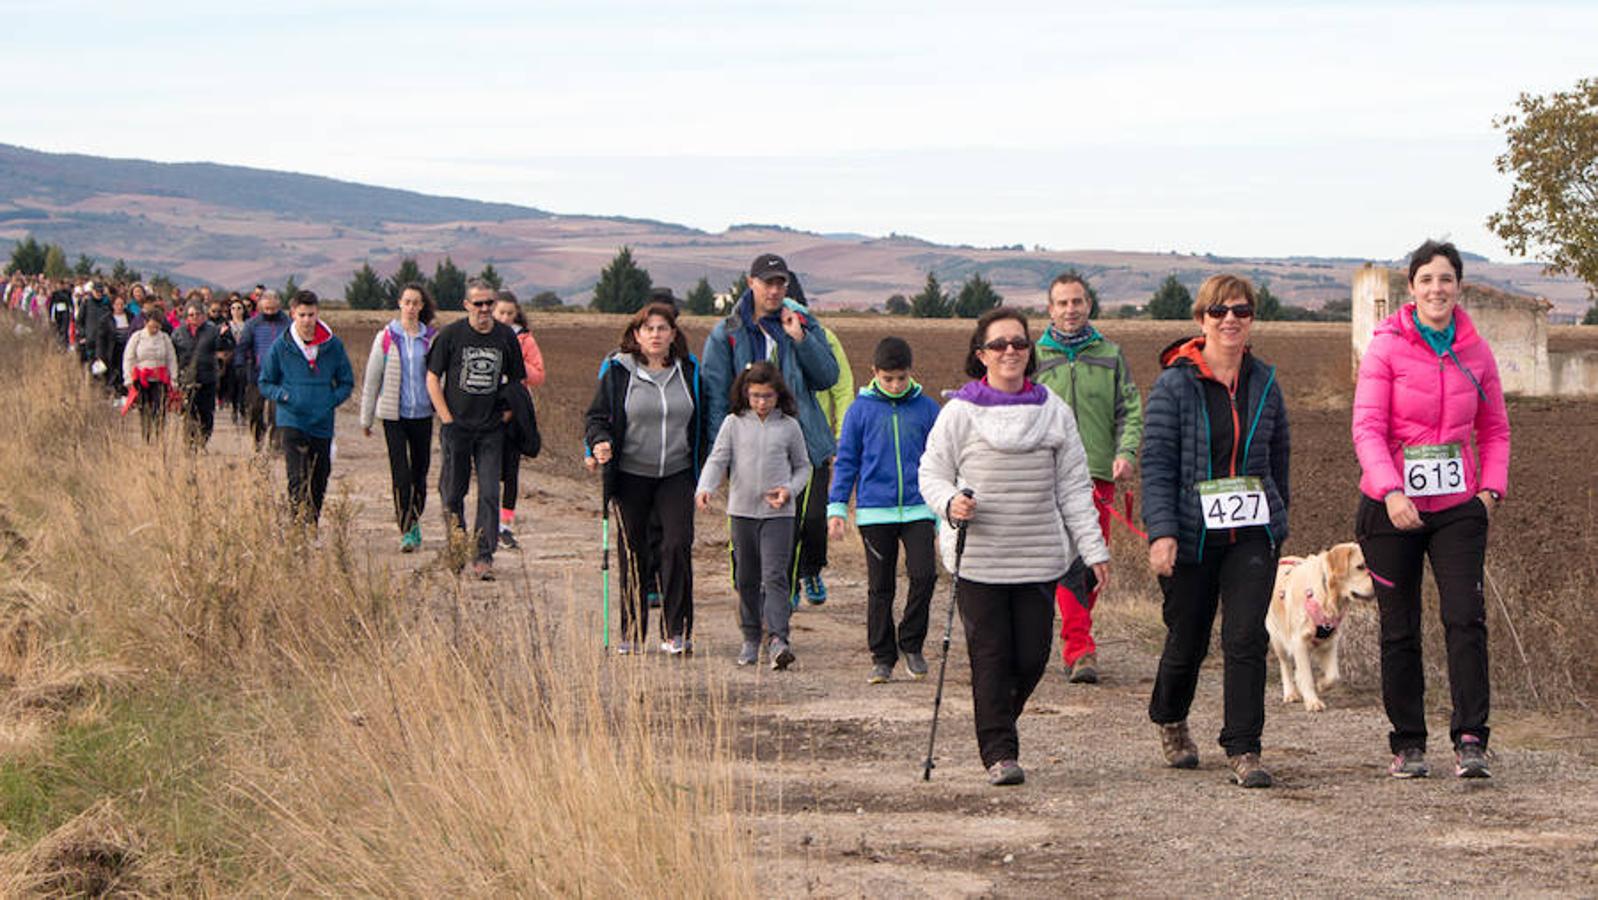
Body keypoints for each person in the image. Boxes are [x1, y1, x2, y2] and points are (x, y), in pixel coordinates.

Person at [919, 307, 1110, 787]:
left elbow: (1072, 488)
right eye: (999, 344)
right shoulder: (960, 412)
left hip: (1038, 556)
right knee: (990, 655)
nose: (1010, 351)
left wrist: (1094, 550)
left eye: (1019, 344)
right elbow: (932, 474)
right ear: (981, 354)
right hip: (979, 559)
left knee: (1030, 658)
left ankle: (997, 717)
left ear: (1031, 352)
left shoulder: (1053, 412)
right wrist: (949, 503)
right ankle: (1000, 752)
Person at [1352, 240, 1509, 780]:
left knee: (1465, 617)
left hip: (1458, 507)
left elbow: (1495, 430)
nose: (1436, 289)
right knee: (1400, 628)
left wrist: (1489, 491)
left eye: (1445, 279)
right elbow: (1367, 428)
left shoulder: (1477, 351)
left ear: (1457, 286)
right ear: (1411, 288)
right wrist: (1391, 489)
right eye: (1426, 280)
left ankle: (1471, 740)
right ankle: (1408, 743)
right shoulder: (1386, 348)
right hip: (1389, 507)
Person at [1142, 274, 1290, 789]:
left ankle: (1244, 748)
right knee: (1189, 636)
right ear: (1200, 319)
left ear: (1252, 319)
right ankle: (1170, 714)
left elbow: (1279, 455)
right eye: (1219, 311)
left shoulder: (1265, 382)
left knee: (1246, 635)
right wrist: (1161, 532)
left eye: (1242, 311)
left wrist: (1277, 521)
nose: (1230, 320)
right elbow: (1156, 463)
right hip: (1190, 533)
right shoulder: (1175, 384)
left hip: (1251, 533)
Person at [701, 254, 840, 609]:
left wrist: (801, 338)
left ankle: (787, 593)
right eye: (768, 283)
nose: (775, 290)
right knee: (751, 530)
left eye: (781, 283)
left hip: (804, 442)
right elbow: (716, 395)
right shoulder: (728, 333)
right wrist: (724, 452)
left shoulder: (804, 324)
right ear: (751, 283)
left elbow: (828, 376)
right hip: (749, 445)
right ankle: (758, 598)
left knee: (806, 523)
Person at [1035, 272, 1145, 684]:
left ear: (1089, 305)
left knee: (1091, 565)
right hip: (1045, 476)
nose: (1070, 310)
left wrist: (1125, 452)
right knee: (1065, 562)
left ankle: (1073, 634)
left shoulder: (1111, 354)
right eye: (1062, 303)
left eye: (1077, 302)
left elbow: (1130, 410)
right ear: (1050, 309)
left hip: (1097, 475)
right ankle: (1079, 648)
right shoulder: (1033, 356)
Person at [586, 301, 708, 655]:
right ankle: (633, 633)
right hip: (629, 475)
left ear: (673, 334)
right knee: (632, 552)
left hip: (677, 473)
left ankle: (676, 632)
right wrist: (600, 443)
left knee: (677, 545)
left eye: (662, 328)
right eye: (648, 329)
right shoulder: (618, 371)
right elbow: (596, 418)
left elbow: (702, 419)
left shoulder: (689, 371)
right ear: (636, 335)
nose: (655, 335)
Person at [827, 336, 940, 684]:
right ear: (874, 372)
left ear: (911, 373)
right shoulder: (859, 411)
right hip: (876, 512)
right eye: (887, 378)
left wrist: (943, 504)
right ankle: (882, 656)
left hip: (921, 509)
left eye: (901, 378)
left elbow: (941, 458)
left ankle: (911, 643)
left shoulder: (928, 409)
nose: (894, 385)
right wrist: (837, 507)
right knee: (881, 586)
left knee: (924, 575)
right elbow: (846, 462)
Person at [696, 362, 811, 669]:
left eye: (769, 397)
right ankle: (750, 637)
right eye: (756, 395)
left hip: (779, 515)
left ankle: (778, 639)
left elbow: (803, 467)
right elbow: (717, 458)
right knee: (746, 577)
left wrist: (789, 490)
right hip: (742, 512)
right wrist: (705, 486)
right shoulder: (733, 424)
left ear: (778, 396)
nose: (762, 403)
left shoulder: (789, 426)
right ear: (745, 393)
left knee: (775, 576)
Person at [427, 279, 526, 580]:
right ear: (467, 305)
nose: (485, 309)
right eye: (479, 303)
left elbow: (516, 381)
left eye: (489, 304)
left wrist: (507, 415)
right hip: (456, 427)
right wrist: (447, 419)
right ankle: (458, 547)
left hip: (490, 430)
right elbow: (433, 377)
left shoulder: (505, 336)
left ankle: (483, 556)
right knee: (453, 492)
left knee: (489, 492)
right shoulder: (451, 335)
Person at [257, 291, 354, 526]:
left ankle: (312, 524)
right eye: (302, 315)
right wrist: (284, 395)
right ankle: (298, 527)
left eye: (311, 315)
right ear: (292, 315)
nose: (307, 320)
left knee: (319, 477)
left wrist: (330, 400)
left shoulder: (333, 346)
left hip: (322, 422)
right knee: (297, 477)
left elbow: (346, 381)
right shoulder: (282, 346)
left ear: (317, 313)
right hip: (292, 419)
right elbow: (265, 382)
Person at [787, 272, 853, 606]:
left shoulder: (824, 337)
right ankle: (789, 584)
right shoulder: (765, 339)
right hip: (776, 447)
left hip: (815, 445)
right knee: (785, 519)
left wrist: (843, 441)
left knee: (814, 517)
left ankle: (811, 569)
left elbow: (841, 390)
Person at [361, 282, 438, 552]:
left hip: (423, 414)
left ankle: (415, 518)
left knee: (420, 471)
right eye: (407, 302)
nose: (411, 307)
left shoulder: (431, 338)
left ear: (422, 307)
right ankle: (407, 528)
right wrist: (366, 418)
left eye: (416, 303)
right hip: (394, 415)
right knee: (400, 473)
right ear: (399, 304)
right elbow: (372, 379)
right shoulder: (386, 337)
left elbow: (441, 377)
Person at [491, 291, 546, 549]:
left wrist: (516, 366)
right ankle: (487, 521)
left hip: (515, 412)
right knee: (488, 468)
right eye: (500, 312)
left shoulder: (524, 339)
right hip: (487, 411)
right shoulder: (483, 336)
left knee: (511, 471)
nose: (504, 317)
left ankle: (505, 525)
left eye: (509, 314)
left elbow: (538, 374)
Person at [238, 290, 290, 451]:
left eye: (273, 309)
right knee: (255, 410)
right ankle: (257, 439)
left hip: (281, 376)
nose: (270, 312)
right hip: (258, 374)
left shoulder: (288, 324)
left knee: (277, 413)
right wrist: (239, 364)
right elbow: (243, 346)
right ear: (261, 307)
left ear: (278, 306)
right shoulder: (252, 324)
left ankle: (276, 444)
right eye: (266, 309)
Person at [122, 312, 178, 442]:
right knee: (145, 409)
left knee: (159, 409)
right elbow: (129, 358)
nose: (154, 328)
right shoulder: (137, 337)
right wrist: (128, 378)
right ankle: (146, 436)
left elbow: (171, 358)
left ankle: (159, 435)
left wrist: (174, 378)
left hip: (160, 379)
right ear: (146, 323)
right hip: (142, 379)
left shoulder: (165, 338)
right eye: (152, 325)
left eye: (157, 326)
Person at [172, 301, 222, 446]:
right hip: (187, 378)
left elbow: (221, 348)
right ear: (187, 316)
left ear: (203, 316)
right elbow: (173, 353)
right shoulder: (178, 333)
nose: (194, 317)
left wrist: (225, 337)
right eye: (191, 315)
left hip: (207, 377)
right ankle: (190, 444)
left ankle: (203, 441)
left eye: (197, 314)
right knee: (189, 413)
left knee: (206, 413)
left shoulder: (212, 331)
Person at [97, 291, 141, 395]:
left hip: (127, 348)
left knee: (125, 371)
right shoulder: (106, 319)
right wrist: (100, 354)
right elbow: (101, 338)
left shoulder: (130, 317)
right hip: (112, 349)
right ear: (113, 305)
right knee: (113, 372)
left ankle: (125, 392)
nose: (120, 307)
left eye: (122, 304)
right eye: (117, 304)